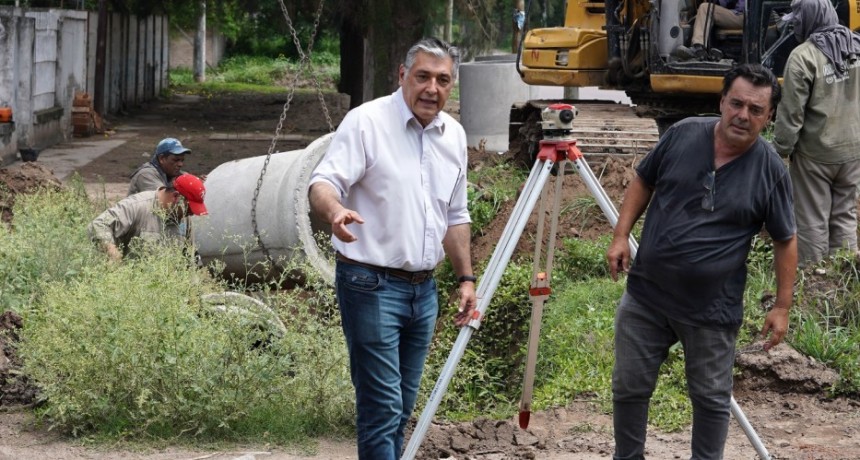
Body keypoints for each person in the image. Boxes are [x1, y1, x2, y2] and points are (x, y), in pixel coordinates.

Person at [606, 63, 797, 460]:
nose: (743, 115)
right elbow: (644, 179)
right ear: (721, 101)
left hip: (712, 309)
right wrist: (621, 234)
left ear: (769, 116)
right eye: (736, 103)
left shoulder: (771, 171)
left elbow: (785, 238)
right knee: (629, 387)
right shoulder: (683, 133)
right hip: (647, 297)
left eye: (756, 110)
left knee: (711, 398)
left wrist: (782, 305)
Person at [308, 37, 477, 460]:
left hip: (425, 291)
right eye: (422, 77)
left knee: (401, 408)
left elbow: (455, 215)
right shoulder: (366, 123)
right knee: (382, 407)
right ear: (402, 76)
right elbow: (322, 183)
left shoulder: (453, 135)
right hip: (370, 284)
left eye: (442, 80)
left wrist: (466, 278)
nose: (432, 89)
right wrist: (335, 210)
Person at [772, 0, 860, 267]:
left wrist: (781, 150)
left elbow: (791, 114)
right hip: (853, 151)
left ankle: (814, 276)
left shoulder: (803, 56)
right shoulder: (856, 47)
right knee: (845, 215)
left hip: (816, 155)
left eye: (798, 19)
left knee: (811, 218)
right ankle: (845, 274)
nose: (796, 24)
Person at [90, 173, 207, 261]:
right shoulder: (137, 206)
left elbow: (190, 260)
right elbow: (98, 224)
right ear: (176, 197)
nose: (191, 214)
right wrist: (112, 253)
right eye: (189, 209)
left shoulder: (185, 219)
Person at [673, 0, 745, 61]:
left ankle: (698, 48)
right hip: (741, 15)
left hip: (744, 16)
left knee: (705, 8)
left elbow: (736, 5)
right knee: (704, 12)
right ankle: (702, 50)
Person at [128, 137, 192, 195]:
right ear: (162, 158)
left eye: (182, 160)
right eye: (175, 160)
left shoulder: (175, 173)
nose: (180, 164)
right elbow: (165, 198)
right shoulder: (145, 175)